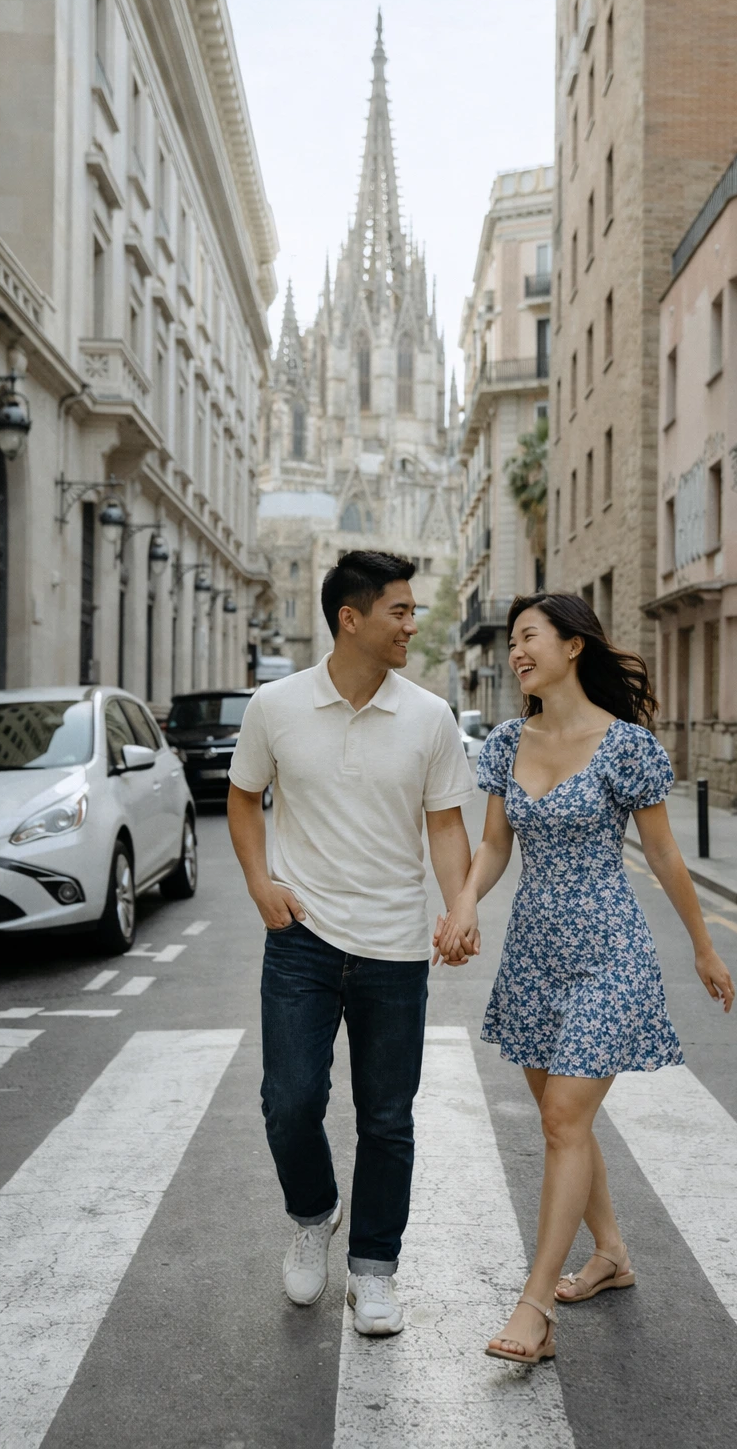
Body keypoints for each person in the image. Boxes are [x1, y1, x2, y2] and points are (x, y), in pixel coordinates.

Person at [434, 592, 734, 1365]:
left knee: (565, 1119)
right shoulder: (505, 742)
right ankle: (611, 1254)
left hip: (609, 953)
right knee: (563, 1122)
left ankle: (534, 1309)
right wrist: (464, 901)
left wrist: (703, 948)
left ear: (573, 646)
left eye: (529, 636)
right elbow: (495, 846)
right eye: (513, 642)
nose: (516, 653)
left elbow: (664, 856)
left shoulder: (626, 746)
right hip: (534, 955)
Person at [228, 550, 478, 1337]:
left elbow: (445, 824)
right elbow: (242, 799)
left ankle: (373, 1271)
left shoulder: (430, 717)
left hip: (395, 947)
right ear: (352, 619)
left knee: (388, 1117)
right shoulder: (276, 705)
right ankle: (313, 1214)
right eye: (401, 612)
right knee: (290, 1101)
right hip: (301, 937)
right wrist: (259, 883)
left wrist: (460, 904)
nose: (413, 624)